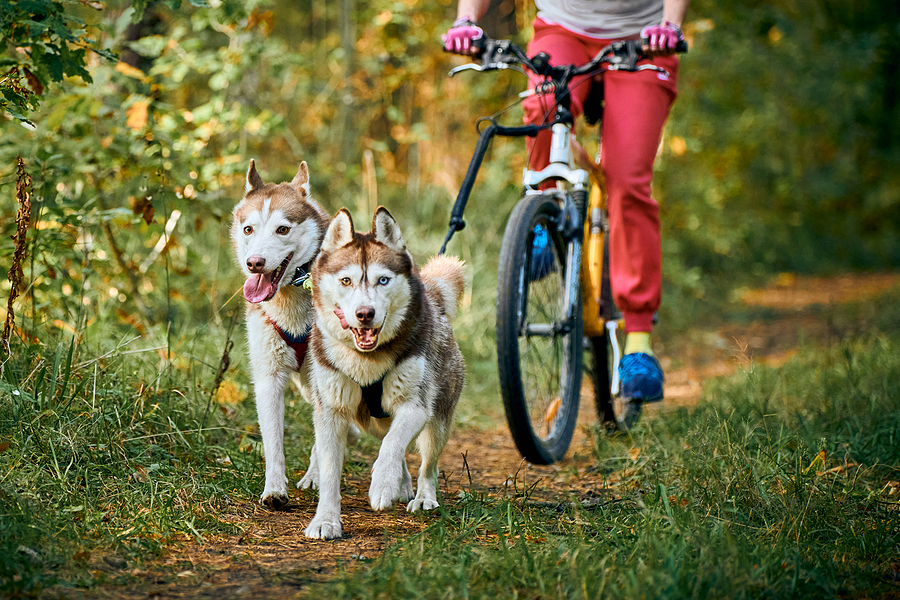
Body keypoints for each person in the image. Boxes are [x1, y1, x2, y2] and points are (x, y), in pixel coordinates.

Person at [443, 0, 689, 405]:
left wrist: (669, 24)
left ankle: (639, 342)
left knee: (627, 181)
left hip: (644, 41)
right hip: (563, 31)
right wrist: (465, 20)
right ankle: (542, 221)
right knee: (542, 111)